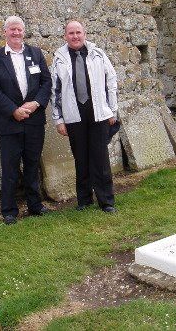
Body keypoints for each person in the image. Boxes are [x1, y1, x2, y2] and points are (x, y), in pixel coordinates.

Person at [0, 16, 52, 224]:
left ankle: (35, 205)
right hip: (9, 122)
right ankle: (9, 210)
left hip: (34, 120)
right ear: (5, 32)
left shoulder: (36, 54)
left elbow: (46, 83)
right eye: (12, 29)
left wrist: (36, 103)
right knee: (10, 167)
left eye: (19, 29)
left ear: (24, 32)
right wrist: (14, 110)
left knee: (32, 165)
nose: (16, 33)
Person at [51, 20, 118, 213]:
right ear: (65, 36)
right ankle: (84, 200)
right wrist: (59, 120)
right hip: (74, 116)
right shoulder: (59, 58)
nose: (75, 36)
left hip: (98, 114)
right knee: (81, 159)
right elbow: (54, 92)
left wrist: (112, 111)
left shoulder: (98, 54)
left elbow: (111, 81)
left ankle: (106, 202)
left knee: (101, 159)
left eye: (78, 32)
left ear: (84, 34)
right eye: (71, 33)